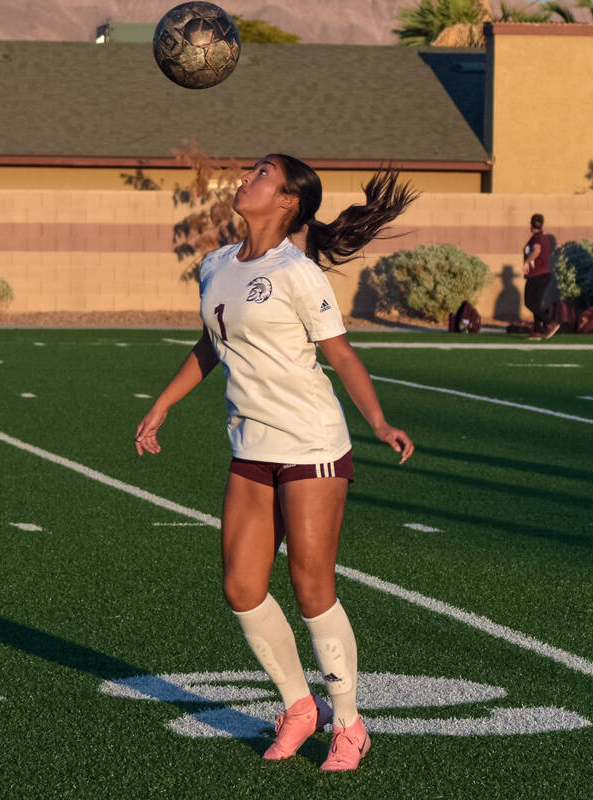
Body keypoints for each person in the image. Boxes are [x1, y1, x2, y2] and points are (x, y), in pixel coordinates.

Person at [134, 155, 415, 772]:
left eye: (261, 174)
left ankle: (349, 723)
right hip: (250, 446)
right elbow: (212, 345)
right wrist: (162, 407)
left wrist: (378, 423)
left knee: (312, 588)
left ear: (288, 201)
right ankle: (297, 706)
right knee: (241, 586)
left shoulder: (299, 273)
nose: (246, 178)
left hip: (311, 444)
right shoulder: (215, 265)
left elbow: (340, 355)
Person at [522, 213, 558, 340]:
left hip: (537, 274)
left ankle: (549, 323)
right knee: (536, 303)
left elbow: (537, 251)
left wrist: (526, 262)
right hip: (544, 274)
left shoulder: (537, 238)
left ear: (531, 224)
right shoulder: (544, 237)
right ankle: (537, 331)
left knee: (529, 303)